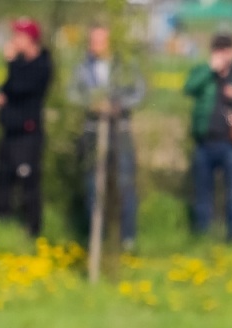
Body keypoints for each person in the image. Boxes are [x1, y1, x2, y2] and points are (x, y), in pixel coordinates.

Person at [69, 24, 145, 249]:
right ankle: (96, 238)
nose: (95, 45)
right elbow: (72, 93)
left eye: (100, 41)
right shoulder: (82, 67)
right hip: (93, 132)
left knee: (124, 184)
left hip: (119, 131)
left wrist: (118, 105)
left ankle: (126, 239)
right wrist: (91, 103)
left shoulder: (124, 66)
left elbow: (139, 93)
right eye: (92, 41)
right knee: (93, 186)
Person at [183, 32, 232, 242]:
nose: (222, 54)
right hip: (205, 141)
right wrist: (210, 70)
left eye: (226, 49)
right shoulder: (204, 72)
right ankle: (202, 235)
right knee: (203, 192)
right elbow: (189, 88)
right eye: (218, 49)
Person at [0, 18, 53, 238]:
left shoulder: (41, 64)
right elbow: (9, 87)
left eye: (18, 36)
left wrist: (10, 62)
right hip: (10, 131)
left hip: (28, 134)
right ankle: (1, 225)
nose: (14, 40)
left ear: (30, 39)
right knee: (3, 178)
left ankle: (32, 228)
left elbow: (21, 86)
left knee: (28, 180)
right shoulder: (20, 64)